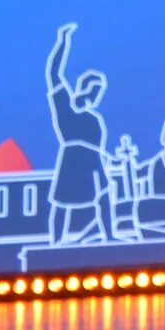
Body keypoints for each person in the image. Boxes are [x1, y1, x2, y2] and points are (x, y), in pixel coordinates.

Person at [43, 22, 111, 247]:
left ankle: (109, 235)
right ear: (83, 87)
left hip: (93, 162)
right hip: (72, 161)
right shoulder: (65, 106)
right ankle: (55, 241)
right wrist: (63, 41)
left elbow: (98, 146)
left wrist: (106, 158)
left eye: (98, 92)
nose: (95, 95)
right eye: (92, 89)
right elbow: (53, 72)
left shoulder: (95, 119)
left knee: (104, 195)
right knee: (61, 202)